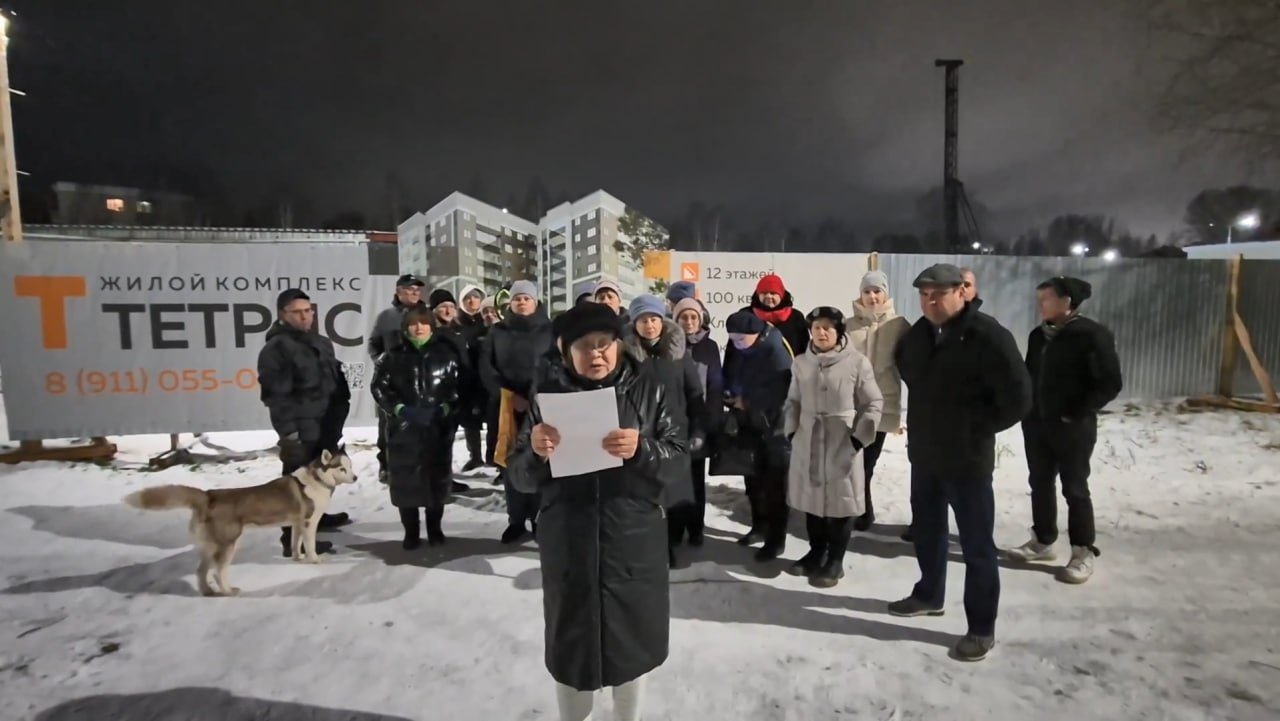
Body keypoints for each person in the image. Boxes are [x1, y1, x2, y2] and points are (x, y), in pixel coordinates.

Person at [508, 302, 685, 721]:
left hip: (632, 539)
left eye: (604, 344)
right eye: (584, 346)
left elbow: (678, 460)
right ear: (565, 350)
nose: (596, 354)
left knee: (631, 644)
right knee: (573, 647)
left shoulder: (652, 388)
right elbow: (519, 477)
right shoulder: (547, 397)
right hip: (569, 541)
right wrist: (535, 453)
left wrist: (643, 449)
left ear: (619, 345)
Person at [888, 263, 1031, 662]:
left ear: (962, 292)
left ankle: (981, 628)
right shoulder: (919, 335)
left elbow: (1019, 396)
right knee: (928, 531)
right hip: (926, 456)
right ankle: (929, 594)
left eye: (939, 294)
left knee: (976, 547)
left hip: (967, 460)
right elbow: (907, 367)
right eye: (924, 295)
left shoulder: (988, 336)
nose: (930, 302)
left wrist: (976, 427)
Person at [1005, 276, 1123, 584]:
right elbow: (1029, 375)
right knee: (1040, 482)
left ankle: (1082, 551)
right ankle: (1043, 540)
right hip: (1038, 424)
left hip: (1073, 427)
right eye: (1039, 298)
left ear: (1067, 301)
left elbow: (1110, 382)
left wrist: (1077, 411)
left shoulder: (1091, 335)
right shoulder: (1038, 336)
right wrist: (1027, 409)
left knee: (1075, 488)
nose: (1039, 304)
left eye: (1045, 298)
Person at [783, 307, 883, 588]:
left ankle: (836, 560)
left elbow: (873, 402)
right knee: (812, 501)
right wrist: (792, 431)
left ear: (839, 332)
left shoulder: (857, 363)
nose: (822, 332)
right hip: (808, 439)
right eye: (816, 328)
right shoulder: (801, 362)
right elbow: (793, 400)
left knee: (841, 501)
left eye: (828, 327)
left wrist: (858, 438)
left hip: (842, 440)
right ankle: (816, 552)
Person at [257, 288, 353, 557]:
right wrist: (289, 434)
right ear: (282, 314)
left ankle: (318, 517)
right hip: (301, 428)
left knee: (322, 477)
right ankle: (292, 540)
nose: (304, 316)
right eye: (297, 312)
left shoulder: (321, 342)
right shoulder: (275, 349)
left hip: (327, 423)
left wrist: (339, 409)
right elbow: (276, 397)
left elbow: (333, 379)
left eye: (308, 310)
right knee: (297, 487)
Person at [371, 304, 466, 549]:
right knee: (406, 484)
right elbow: (380, 388)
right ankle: (411, 532)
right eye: (413, 323)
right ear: (405, 328)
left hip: (437, 429)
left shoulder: (446, 356)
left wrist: (445, 408)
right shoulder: (391, 357)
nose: (419, 327)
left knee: (436, 481)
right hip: (403, 431)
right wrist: (400, 409)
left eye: (424, 323)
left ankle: (435, 529)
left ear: (432, 327)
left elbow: (457, 387)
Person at [623, 294, 705, 568]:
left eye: (654, 319)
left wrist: (698, 430)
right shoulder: (625, 355)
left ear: (663, 321)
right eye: (643, 320)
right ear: (635, 323)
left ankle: (670, 543)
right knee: (645, 494)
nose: (649, 325)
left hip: (675, 434)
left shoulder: (679, 354)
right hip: (641, 434)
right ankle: (651, 546)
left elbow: (695, 394)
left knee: (674, 493)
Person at [479, 279, 553, 544]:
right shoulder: (497, 332)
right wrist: (507, 395)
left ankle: (540, 519)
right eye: (517, 298)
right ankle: (516, 520)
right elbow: (486, 367)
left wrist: (534, 398)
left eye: (526, 298)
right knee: (511, 463)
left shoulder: (550, 331)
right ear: (509, 303)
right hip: (506, 407)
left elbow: (555, 366)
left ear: (536, 302)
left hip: (542, 407)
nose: (522, 302)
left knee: (541, 461)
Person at [720, 309, 795, 561]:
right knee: (753, 481)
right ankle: (758, 526)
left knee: (775, 486)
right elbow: (730, 372)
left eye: (741, 338)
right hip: (749, 424)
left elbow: (783, 390)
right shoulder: (739, 347)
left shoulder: (775, 350)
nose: (737, 343)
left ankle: (776, 539)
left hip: (775, 427)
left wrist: (748, 401)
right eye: (733, 339)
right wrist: (729, 393)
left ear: (756, 334)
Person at [847, 269, 912, 533]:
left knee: (865, 463)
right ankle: (860, 511)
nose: (872, 296)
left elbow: (911, 363)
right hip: (852, 406)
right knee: (853, 461)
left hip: (882, 406)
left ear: (885, 294)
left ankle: (862, 512)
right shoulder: (849, 326)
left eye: (877, 291)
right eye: (867, 291)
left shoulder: (899, 326)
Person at [673, 295, 722, 548]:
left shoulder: (710, 347)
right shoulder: (668, 345)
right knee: (674, 479)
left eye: (693, 317)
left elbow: (715, 388)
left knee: (695, 480)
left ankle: (696, 529)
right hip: (673, 422)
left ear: (701, 319)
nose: (689, 322)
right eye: (684, 317)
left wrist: (707, 425)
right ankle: (675, 530)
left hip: (698, 422)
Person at [368, 274, 426, 482]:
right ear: (398, 292)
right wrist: (381, 362)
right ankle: (386, 466)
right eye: (410, 289)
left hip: (421, 381)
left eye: (417, 290)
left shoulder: (427, 314)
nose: (414, 293)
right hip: (393, 384)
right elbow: (373, 344)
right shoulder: (386, 317)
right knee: (388, 427)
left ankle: (422, 467)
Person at [457, 285, 496, 468]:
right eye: (467, 298)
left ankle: (493, 457)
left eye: (475, 297)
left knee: (493, 419)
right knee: (470, 421)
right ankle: (475, 456)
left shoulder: (489, 321)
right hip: (468, 378)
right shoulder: (457, 324)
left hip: (488, 379)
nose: (472, 301)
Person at [736, 273, 809, 357]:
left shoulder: (796, 317)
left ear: (781, 295)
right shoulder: (745, 315)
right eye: (764, 293)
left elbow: (804, 349)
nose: (768, 296)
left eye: (773, 293)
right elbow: (734, 350)